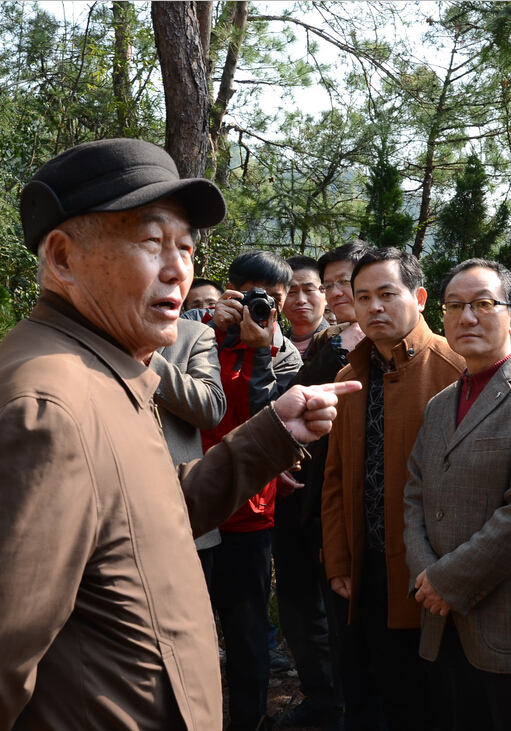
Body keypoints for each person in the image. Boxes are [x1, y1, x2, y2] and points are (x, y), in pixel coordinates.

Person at [0, 137, 359, 731]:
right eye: (151, 242)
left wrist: (272, 431)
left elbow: (153, 515)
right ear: (62, 258)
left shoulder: (112, 366)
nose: (178, 269)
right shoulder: (49, 409)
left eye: (186, 247)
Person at [402, 259, 511, 731]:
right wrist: (426, 573)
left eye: (483, 304)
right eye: (455, 305)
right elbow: (415, 494)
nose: (466, 317)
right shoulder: (442, 403)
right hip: (444, 622)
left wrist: (446, 582)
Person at [322, 247, 465, 730]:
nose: (374, 307)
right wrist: (341, 560)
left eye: (387, 294)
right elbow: (337, 478)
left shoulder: (457, 369)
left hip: (438, 576)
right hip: (371, 569)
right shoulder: (350, 376)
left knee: (441, 704)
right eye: (363, 297)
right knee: (388, 695)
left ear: (419, 298)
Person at [189, 249, 302, 731]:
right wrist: (210, 325)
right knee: (190, 628)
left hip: (251, 510)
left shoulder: (286, 352)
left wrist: (259, 349)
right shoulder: (196, 335)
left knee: (247, 631)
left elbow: (267, 422)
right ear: (231, 291)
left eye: (274, 299)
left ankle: (251, 719)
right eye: (253, 296)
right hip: (192, 504)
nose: (265, 309)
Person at [274, 255, 338, 728]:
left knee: (334, 601)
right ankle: (319, 696)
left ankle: (343, 698)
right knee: (297, 605)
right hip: (279, 495)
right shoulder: (263, 343)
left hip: (328, 493)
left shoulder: (339, 346)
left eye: (309, 288)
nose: (299, 298)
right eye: (289, 290)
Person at [150, 317, 226, 586]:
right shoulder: (89, 335)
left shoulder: (193, 334)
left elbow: (211, 409)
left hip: (184, 519)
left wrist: (148, 360)